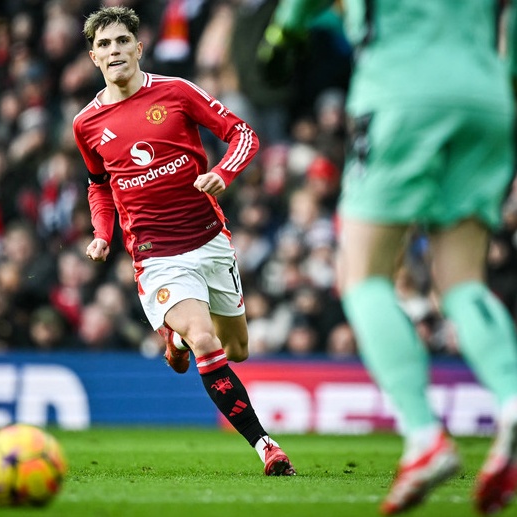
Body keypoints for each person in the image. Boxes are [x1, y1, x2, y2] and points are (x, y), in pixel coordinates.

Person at [258, 1, 517, 514]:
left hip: (400, 93)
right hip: (487, 97)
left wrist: (282, 34)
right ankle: (512, 398)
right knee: (463, 282)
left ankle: (424, 436)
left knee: (362, 276)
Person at [73, 6, 295, 477]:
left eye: (122, 41)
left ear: (139, 47)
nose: (115, 50)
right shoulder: (86, 124)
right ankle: (266, 447)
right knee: (205, 340)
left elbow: (243, 133)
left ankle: (173, 338)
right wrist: (102, 234)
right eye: (104, 45)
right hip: (156, 255)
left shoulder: (176, 91)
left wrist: (223, 173)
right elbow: (98, 185)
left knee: (237, 349)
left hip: (210, 240)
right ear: (94, 57)